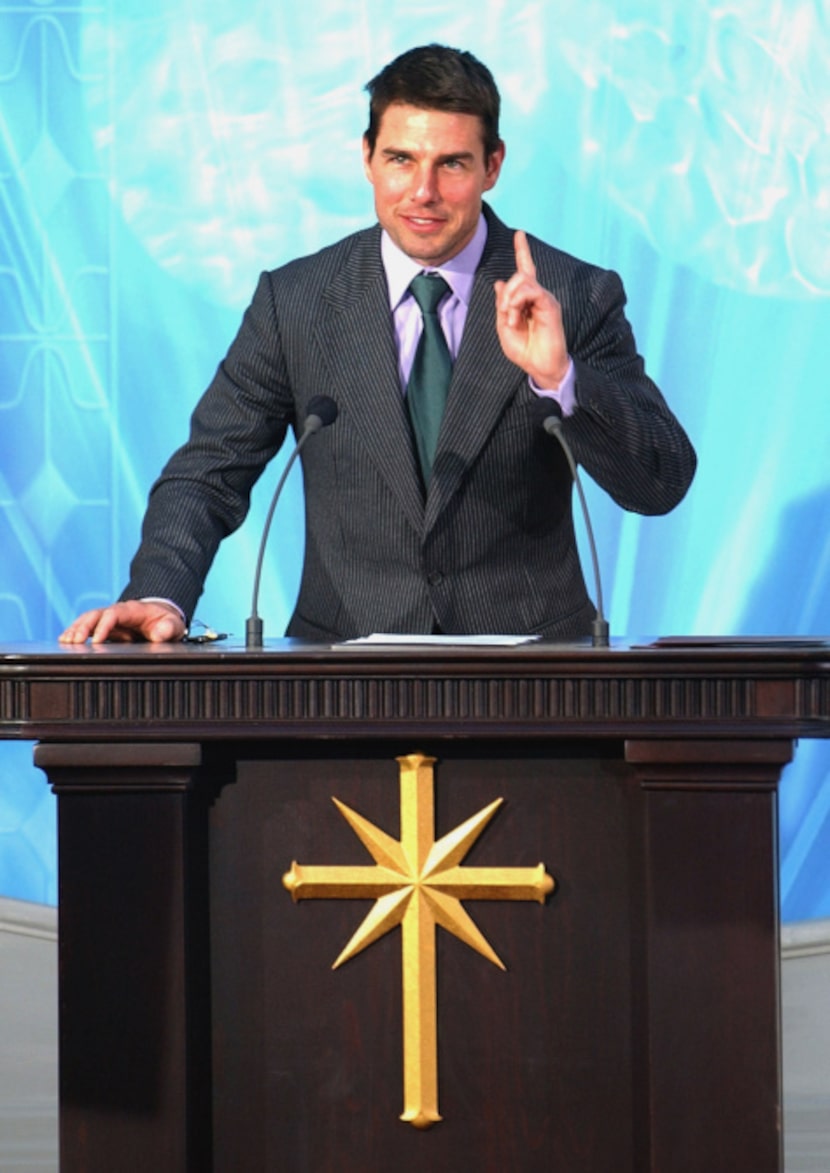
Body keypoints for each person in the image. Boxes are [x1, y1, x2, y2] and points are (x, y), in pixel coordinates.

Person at [60, 44, 696, 646]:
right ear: (366, 157)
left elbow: (660, 482)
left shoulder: (572, 294)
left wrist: (562, 380)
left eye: (451, 164)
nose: (423, 191)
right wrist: (160, 596)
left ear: (492, 166)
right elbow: (209, 472)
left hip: (533, 680)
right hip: (342, 683)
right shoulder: (297, 302)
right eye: (401, 160)